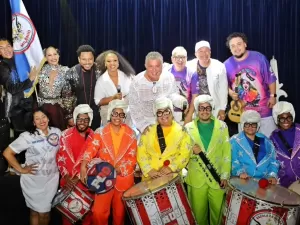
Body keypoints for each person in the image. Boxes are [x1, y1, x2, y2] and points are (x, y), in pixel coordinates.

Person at [80, 99, 137, 225]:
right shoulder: (100, 132)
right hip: (103, 178)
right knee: (99, 212)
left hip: (122, 179)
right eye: (115, 113)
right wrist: (84, 165)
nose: (117, 117)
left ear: (124, 117)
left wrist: (118, 169)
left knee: (119, 215)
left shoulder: (131, 134)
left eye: (121, 114)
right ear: (110, 114)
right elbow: (91, 149)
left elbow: (132, 159)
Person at [3, 107, 61, 225]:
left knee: (44, 213)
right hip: (33, 180)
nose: (41, 121)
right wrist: (21, 169)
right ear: (33, 122)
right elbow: (7, 153)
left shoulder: (57, 132)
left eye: (43, 117)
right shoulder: (27, 136)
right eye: (37, 119)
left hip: (51, 180)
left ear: (48, 118)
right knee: (34, 212)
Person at [184, 94, 231, 225]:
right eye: (201, 108)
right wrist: (192, 152)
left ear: (211, 110)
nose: (204, 111)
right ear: (197, 110)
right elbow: (183, 153)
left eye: (207, 108)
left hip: (217, 178)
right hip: (196, 179)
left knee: (218, 215)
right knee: (198, 215)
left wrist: (225, 175)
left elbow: (226, 152)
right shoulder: (188, 128)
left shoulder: (222, 126)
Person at [225, 32, 277, 137]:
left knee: (269, 143)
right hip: (243, 114)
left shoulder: (259, 58)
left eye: (239, 44)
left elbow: (270, 78)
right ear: (230, 49)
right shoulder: (226, 65)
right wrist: (230, 92)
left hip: (264, 112)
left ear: (245, 44)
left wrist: (273, 96)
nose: (236, 48)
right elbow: (223, 85)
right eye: (233, 46)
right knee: (246, 147)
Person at [128, 51, 186, 134]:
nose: (154, 70)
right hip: (147, 125)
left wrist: (181, 101)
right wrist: (143, 126)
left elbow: (173, 96)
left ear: (162, 66)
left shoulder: (169, 77)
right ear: (145, 66)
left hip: (167, 122)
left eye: (157, 66)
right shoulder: (136, 82)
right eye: (151, 66)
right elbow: (134, 108)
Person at [56, 104, 94, 225]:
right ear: (75, 119)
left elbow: (95, 161)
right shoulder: (64, 135)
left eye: (85, 119)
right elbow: (60, 157)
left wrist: (79, 177)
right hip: (68, 183)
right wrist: (66, 176)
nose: (82, 122)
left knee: (87, 217)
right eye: (79, 119)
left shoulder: (94, 137)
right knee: (67, 217)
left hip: (85, 182)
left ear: (90, 121)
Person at [137, 97, 192, 180]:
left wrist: (171, 168)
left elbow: (185, 154)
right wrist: (148, 170)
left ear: (172, 112)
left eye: (166, 111)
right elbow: (141, 151)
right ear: (156, 115)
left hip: (171, 177)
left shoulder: (182, 132)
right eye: (159, 112)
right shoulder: (148, 131)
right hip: (149, 178)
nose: (163, 115)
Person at [0, 38, 37, 137]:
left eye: (8, 46)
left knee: (31, 137)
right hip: (17, 109)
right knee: (22, 139)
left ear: (12, 47)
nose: (6, 50)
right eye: (2, 48)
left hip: (28, 105)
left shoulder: (19, 61)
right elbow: (12, 88)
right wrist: (30, 79)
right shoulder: (3, 66)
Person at [230, 110, 279, 184]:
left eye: (253, 124)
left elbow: (273, 161)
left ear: (258, 125)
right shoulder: (235, 140)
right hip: (242, 182)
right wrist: (240, 172)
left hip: (263, 184)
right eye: (247, 124)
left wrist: (272, 175)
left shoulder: (266, 141)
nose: (250, 127)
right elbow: (232, 160)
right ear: (242, 124)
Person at [185, 40, 228, 124]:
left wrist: (222, 108)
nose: (204, 54)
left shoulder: (219, 66)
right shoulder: (189, 65)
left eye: (206, 50)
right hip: (195, 106)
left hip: (214, 106)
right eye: (200, 51)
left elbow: (223, 89)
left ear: (210, 52)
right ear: (195, 54)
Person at [94, 50, 135, 126]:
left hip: (126, 114)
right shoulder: (100, 80)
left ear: (118, 63)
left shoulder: (128, 76)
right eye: (109, 61)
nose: (112, 63)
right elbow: (98, 101)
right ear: (105, 64)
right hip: (108, 115)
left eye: (115, 60)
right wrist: (113, 98)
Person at [65, 45, 101, 130]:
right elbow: (67, 97)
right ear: (79, 59)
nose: (87, 62)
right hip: (78, 113)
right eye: (84, 59)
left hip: (96, 112)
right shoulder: (71, 72)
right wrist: (69, 116)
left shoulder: (99, 70)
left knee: (94, 139)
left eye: (90, 59)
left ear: (93, 58)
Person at [38, 46, 73, 130]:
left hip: (57, 110)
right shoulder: (40, 70)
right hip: (41, 108)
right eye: (49, 55)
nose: (53, 57)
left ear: (58, 55)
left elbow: (68, 95)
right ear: (45, 58)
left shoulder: (66, 71)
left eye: (55, 54)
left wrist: (69, 115)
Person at [270, 101, 300, 188]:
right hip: (285, 184)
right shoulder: (273, 138)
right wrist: (272, 175)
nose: (286, 121)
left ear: (292, 117)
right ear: (277, 119)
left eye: (288, 118)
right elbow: (272, 161)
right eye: (282, 119)